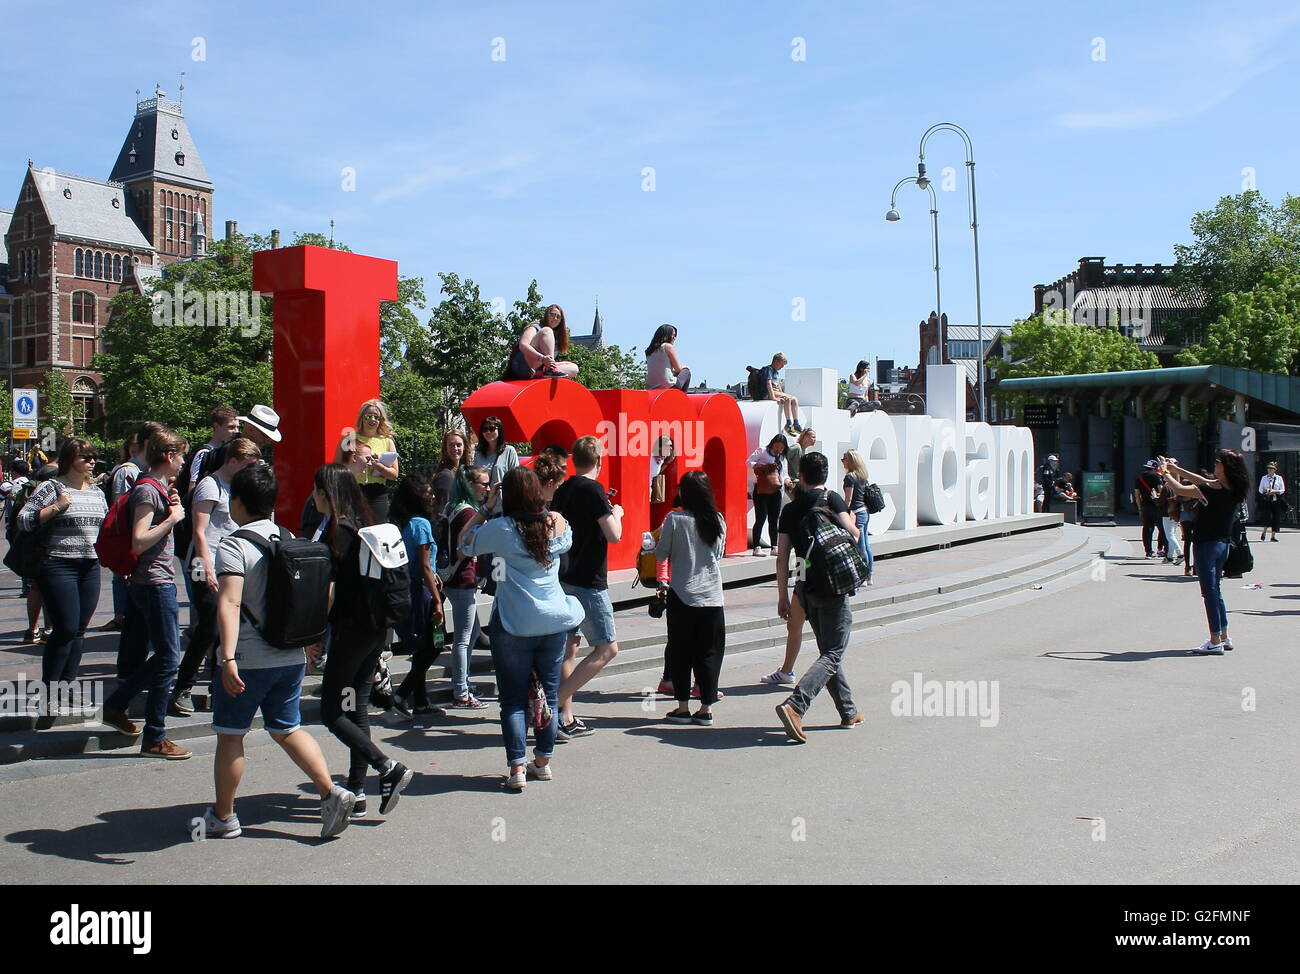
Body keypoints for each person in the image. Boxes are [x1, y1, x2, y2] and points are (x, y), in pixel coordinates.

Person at [202, 463, 357, 840]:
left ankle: (224, 817)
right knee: (288, 729)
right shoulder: (287, 537)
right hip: (289, 656)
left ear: (236, 502)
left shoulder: (234, 545)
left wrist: (227, 657)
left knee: (231, 735)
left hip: (248, 659)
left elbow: (230, 604)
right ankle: (331, 792)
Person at [459, 467, 583, 791]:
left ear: (509, 495)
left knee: (513, 700)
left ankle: (517, 769)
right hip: (554, 620)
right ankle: (543, 762)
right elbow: (567, 538)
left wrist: (486, 507)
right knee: (551, 693)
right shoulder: (555, 521)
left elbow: (465, 543)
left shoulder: (501, 528)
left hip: (514, 622)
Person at [311, 463, 413, 816]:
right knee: (357, 706)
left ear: (327, 493)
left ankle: (386, 766)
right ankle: (357, 791)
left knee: (331, 710)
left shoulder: (339, 530)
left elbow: (329, 590)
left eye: (316, 491)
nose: (313, 497)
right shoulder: (367, 523)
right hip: (376, 628)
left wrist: (314, 638)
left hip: (351, 629)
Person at [101, 428, 192, 758]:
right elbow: (140, 540)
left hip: (149, 581)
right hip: (154, 582)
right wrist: (173, 519)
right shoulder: (147, 491)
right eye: (181, 455)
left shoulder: (155, 489)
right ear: (168, 457)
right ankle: (155, 735)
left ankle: (116, 704)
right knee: (169, 659)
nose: (183, 462)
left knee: (166, 656)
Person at [773, 452, 863, 743]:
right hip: (833, 584)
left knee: (828, 651)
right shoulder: (833, 499)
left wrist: (784, 595)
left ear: (801, 476)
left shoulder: (790, 509)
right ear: (824, 476)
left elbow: (783, 557)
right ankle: (796, 706)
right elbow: (853, 534)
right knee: (834, 653)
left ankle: (848, 711)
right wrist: (855, 527)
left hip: (804, 581)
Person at [171, 438, 264, 716]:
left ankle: (218, 685)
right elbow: (200, 530)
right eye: (247, 465)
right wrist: (208, 567)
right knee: (209, 627)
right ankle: (183, 687)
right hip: (206, 561)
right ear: (233, 461)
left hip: (230, 562)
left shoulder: (237, 485)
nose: (250, 471)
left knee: (225, 627)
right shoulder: (210, 485)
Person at [19, 438, 107, 712]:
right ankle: (48, 693)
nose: (92, 462)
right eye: (86, 457)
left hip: (89, 566)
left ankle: (67, 687)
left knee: (79, 630)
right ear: (71, 459)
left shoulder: (96, 493)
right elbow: (24, 519)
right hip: (58, 564)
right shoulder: (52, 487)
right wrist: (57, 507)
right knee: (65, 628)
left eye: (94, 457)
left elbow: (103, 529)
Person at [553, 435, 623, 739]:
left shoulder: (564, 489)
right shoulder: (594, 490)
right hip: (589, 581)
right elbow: (614, 535)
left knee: (569, 648)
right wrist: (617, 513)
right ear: (599, 461)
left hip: (564, 576)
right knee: (607, 648)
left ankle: (564, 717)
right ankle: (552, 704)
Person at [1158, 451, 1249, 655]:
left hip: (1206, 544)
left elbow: (1180, 489)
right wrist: (1176, 469)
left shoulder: (1211, 489)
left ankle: (1214, 640)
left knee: (1209, 593)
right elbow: (1202, 480)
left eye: (1218, 462)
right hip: (1223, 545)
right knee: (1216, 591)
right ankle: (1224, 636)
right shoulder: (1233, 487)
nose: (1215, 464)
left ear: (1225, 466)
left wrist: (1165, 472)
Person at [656, 471, 727, 726]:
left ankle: (682, 707)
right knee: (710, 652)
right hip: (712, 596)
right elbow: (718, 555)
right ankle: (706, 708)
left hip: (682, 595)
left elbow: (661, 552)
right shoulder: (718, 519)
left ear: (684, 493)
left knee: (681, 651)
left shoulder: (674, 519)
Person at [430, 467, 493, 710]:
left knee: (473, 632)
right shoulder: (468, 513)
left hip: (450, 578)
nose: (487, 489)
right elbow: (462, 549)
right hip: (463, 579)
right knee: (464, 639)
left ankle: (463, 684)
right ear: (469, 484)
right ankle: (461, 692)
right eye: (483, 484)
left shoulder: (452, 507)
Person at [390, 475, 447, 714]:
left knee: (420, 646)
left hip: (409, 588)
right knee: (434, 644)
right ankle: (402, 694)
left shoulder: (402, 522)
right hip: (422, 590)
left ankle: (421, 701)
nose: (432, 495)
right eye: (426, 493)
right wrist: (437, 601)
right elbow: (424, 566)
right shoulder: (421, 524)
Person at [335, 399, 399, 522]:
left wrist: (379, 467)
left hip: (377, 493)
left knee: (377, 532)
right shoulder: (349, 438)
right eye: (369, 416)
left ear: (381, 420)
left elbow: (394, 474)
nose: (372, 420)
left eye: (376, 417)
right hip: (353, 490)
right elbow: (337, 468)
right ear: (362, 418)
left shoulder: (387, 441)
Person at [504, 303, 579, 380]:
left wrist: (547, 362)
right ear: (547, 315)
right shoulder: (535, 327)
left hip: (538, 367)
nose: (555, 318)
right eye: (552, 315)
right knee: (547, 330)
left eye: (558, 317)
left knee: (574, 368)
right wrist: (542, 358)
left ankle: (542, 372)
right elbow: (523, 345)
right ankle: (550, 370)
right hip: (522, 365)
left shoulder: (555, 337)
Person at [185, 406, 240, 497]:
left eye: (237, 427)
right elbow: (192, 486)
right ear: (216, 426)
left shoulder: (228, 451)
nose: (236, 431)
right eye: (231, 427)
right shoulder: (203, 453)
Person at [748, 434, 788, 555]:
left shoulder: (782, 457)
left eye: (781, 448)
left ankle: (774, 546)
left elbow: (784, 473)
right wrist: (762, 466)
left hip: (776, 490)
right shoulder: (763, 451)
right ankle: (756, 547)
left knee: (774, 518)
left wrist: (787, 481)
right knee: (761, 517)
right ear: (772, 443)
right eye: (777, 446)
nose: (778, 450)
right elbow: (749, 461)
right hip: (762, 489)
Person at [472, 415, 518, 514]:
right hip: (482, 505)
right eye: (485, 429)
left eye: (492, 428)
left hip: (503, 506)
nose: (488, 432)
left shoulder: (509, 451)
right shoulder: (478, 453)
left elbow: (516, 479)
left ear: (499, 430)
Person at [841, 449, 875, 585]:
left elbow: (848, 499)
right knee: (866, 545)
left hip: (855, 513)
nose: (842, 461)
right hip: (865, 512)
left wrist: (843, 512)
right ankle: (870, 575)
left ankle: (864, 576)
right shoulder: (862, 476)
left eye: (844, 458)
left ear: (850, 461)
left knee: (860, 546)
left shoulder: (850, 477)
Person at [757, 353, 803, 436]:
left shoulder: (776, 372)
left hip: (776, 392)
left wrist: (782, 393)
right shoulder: (768, 369)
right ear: (776, 361)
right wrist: (773, 397)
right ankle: (788, 423)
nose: (782, 367)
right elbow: (768, 384)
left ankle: (796, 423)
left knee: (794, 399)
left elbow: (777, 385)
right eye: (781, 364)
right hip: (766, 393)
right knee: (787, 398)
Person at [432, 428, 474, 512]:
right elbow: (443, 510)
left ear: (464, 447)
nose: (455, 448)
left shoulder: (463, 472)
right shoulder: (445, 476)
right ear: (445, 448)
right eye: (451, 445)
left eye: (459, 445)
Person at [1133, 459, 1168, 557]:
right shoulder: (1157, 476)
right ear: (1155, 468)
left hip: (1145, 506)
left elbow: (1137, 495)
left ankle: (1148, 551)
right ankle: (1165, 550)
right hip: (1158, 506)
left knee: (1147, 528)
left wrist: (1140, 508)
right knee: (1162, 528)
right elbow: (1161, 491)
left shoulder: (1139, 478)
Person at [645, 324, 691, 391]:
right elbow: (678, 369)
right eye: (673, 335)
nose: (674, 338)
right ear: (667, 336)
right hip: (668, 385)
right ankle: (682, 397)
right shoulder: (667, 346)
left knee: (675, 373)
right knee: (687, 372)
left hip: (651, 386)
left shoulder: (649, 351)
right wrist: (685, 367)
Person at [784, 428, 816, 500]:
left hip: (799, 484)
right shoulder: (797, 447)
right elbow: (783, 458)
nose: (815, 439)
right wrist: (787, 478)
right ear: (805, 436)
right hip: (791, 483)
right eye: (813, 437)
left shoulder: (805, 451)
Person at [1258, 461, 1286, 542]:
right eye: (1269, 468)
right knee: (1267, 516)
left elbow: (1282, 490)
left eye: (1272, 469)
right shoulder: (1264, 478)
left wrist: (1274, 491)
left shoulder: (1279, 478)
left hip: (1276, 500)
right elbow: (1260, 489)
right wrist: (1266, 490)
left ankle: (1273, 536)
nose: (1270, 470)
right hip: (1267, 500)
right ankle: (1264, 531)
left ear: (1275, 470)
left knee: (1276, 517)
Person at [1159, 479, 1183, 566]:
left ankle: (1180, 553)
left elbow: (1161, 501)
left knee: (1169, 535)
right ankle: (1169, 556)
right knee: (1172, 535)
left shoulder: (1166, 487)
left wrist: (1155, 497)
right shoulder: (1177, 486)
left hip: (1167, 513)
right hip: (1176, 513)